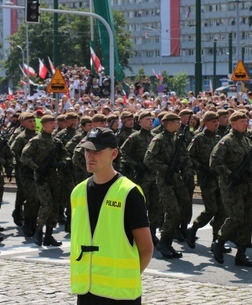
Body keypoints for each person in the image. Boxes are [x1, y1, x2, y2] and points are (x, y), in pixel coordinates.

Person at [70, 127, 153, 304]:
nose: (90, 156)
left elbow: (146, 249)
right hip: (87, 291)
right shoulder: (78, 192)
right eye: (87, 150)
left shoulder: (128, 192)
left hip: (120, 295)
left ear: (113, 154)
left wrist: (126, 274)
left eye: (97, 151)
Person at [210, 111, 252, 267]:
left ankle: (241, 254)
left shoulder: (247, 141)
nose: (245, 123)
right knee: (236, 217)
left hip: (246, 186)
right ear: (233, 123)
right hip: (231, 186)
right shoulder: (226, 141)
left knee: (247, 219)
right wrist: (230, 174)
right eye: (242, 121)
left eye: (246, 121)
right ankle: (220, 241)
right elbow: (215, 161)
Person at [144, 112, 193, 258]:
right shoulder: (158, 140)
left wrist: (187, 171)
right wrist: (166, 168)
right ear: (169, 123)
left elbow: (185, 156)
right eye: (177, 122)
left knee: (183, 208)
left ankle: (169, 241)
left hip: (177, 179)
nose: (179, 125)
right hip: (164, 180)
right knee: (172, 212)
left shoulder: (177, 138)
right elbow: (148, 159)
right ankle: (164, 242)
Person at [21, 115, 69, 247]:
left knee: (54, 205)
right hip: (41, 178)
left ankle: (49, 235)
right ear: (43, 124)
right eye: (50, 123)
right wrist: (36, 167)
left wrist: (61, 163)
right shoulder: (36, 141)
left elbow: (66, 156)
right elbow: (24, 156)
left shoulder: (56, 142)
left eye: (54, 122)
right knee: (46, 205)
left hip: (53, 177)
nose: (54, 125)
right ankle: (38, 230)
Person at [186, 111, 226, 250]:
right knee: (211, 209)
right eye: (213, 121)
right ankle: (194, 228)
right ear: (206, 123)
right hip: (206, 179)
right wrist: (201, 168)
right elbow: (189, 156)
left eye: (217, 121)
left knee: (222, 210)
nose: (216, 123)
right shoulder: (198, 139)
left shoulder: (219, 138)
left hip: (219, 178)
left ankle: (216, 241)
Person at [120, 111, 161, 245]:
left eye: (151, 119)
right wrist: (136, 165)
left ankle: (152, 233)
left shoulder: (155, 137)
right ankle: (137, 233)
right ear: (140, 122)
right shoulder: (134, 137)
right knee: (142, 206)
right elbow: (123, 153)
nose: (150, 122)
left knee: (155, 206)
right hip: (140, 177)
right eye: (147, 119)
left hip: (154, 176)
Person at [10, 112, 38, 237]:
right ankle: (27, 222)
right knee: (30, 197)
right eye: (29, 121)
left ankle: (33, 222)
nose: (33, 123)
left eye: (33, 121)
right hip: (24, 172)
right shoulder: (20, 137)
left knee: (36, 198)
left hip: (36, 171)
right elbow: (13, 152)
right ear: (23, 123)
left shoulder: (38, 136)